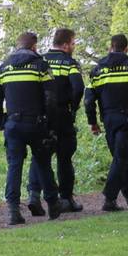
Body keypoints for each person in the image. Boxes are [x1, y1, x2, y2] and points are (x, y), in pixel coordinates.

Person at [0, 31, 65, 225]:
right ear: (34, 47)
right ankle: (52, 204)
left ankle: (13, 210)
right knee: (42, 163)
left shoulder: (3, 68)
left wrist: (1, 122)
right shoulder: (40, 66)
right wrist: (51, 125)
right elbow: (50, 98)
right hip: (36, 123)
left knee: (14, 166)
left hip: (13, 124)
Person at [84, 33, 128, 211]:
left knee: (120, 156)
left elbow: (88, 100)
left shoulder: (98, 69)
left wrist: (92, 122)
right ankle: (110, 199)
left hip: (109, 119)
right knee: (121, 157)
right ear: (126, 49)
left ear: (111, 47)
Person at [27, 28, 85, 214]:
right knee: (64, 157)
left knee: (40, 156)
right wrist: (73, 107)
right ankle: (66, 198)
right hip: (62, 114)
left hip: (42, 116)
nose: (74, 47)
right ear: (66, 44)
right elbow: (78, 87)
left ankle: (34, 195)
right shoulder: (69, 63)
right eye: (74, 43)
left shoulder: (40, 60)